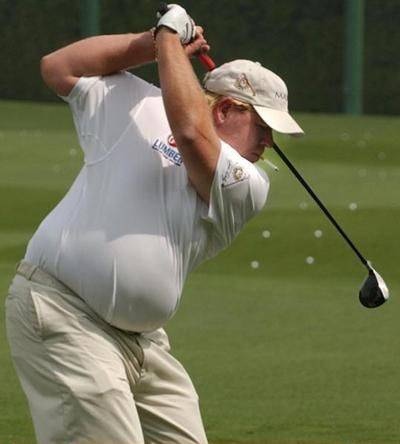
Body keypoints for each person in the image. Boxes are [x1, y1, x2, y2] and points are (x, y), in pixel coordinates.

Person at [5, 4, 303, 444]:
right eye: (261, 125)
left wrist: (168, 37)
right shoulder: (140, 104)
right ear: (225, 110)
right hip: (63, 314)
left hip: (142, 343)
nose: (268, 142)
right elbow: (58, 68)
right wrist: (151, 44)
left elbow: (191, 134)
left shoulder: (247, 183)